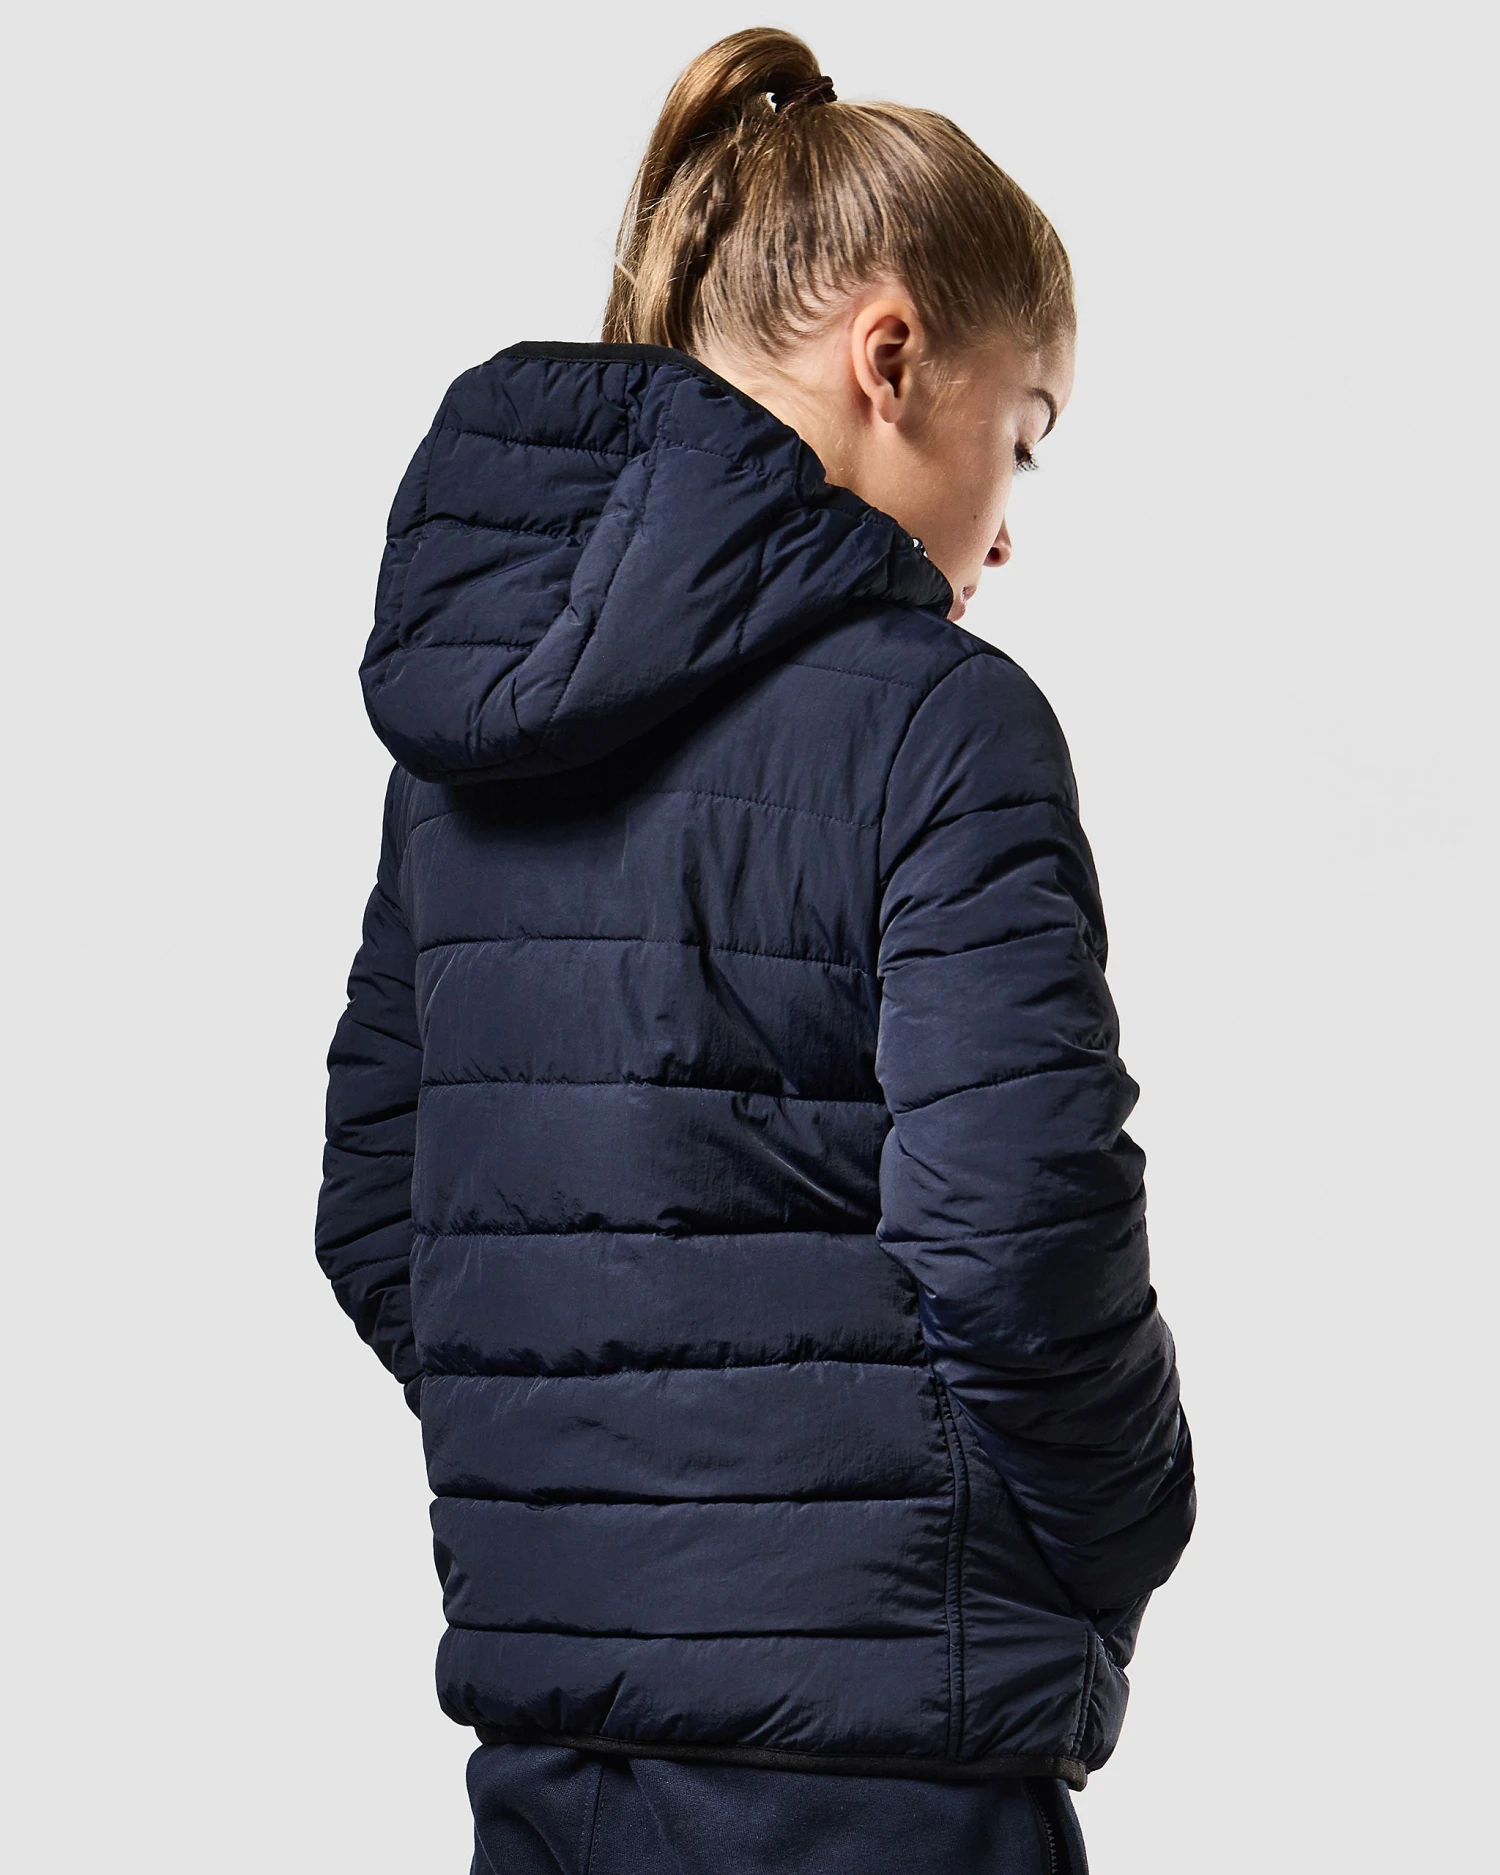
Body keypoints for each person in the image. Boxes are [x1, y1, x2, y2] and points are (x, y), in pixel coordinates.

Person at [316, 26, 1195, 1874]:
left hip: (553, 1771)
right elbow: (1024, 1234)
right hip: (888, 1775)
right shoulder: (940, 721)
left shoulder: (463, 751)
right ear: (893, 357)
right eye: (1022, 437)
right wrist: (1123, 1532)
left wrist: (603, 1490)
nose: (1005, 536)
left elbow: (383, 1213)